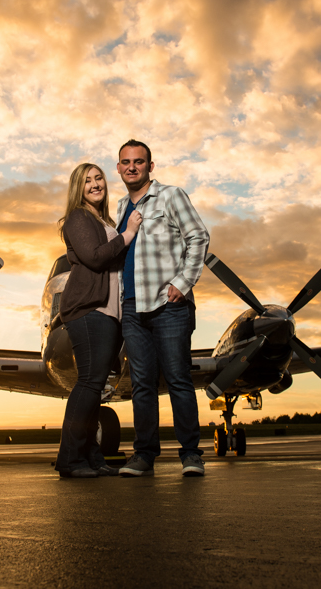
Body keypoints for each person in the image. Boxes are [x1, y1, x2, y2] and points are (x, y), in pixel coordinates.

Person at [114, 139, 210, 478]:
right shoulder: (120, 207)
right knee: (141, 384)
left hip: (169, 305)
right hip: (132, 308)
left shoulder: (171, 195)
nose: (132, 167)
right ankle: (144, 455)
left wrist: (183, 284)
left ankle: (190, 455)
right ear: (118, 168)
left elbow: (198, 236)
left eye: (139, 161)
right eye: (125, 162)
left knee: (178, 379)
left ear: (150, 166)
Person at [54, 162, 142, 478]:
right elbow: (93, 257)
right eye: (87, 180)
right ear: (78, 188)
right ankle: (69, 459)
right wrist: (128, 233)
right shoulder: (78, 217)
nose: (95, 184)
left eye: (98, 178)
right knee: (89, 383)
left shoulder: (103, 220)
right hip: (89, 310)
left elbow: (115, 257)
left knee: (95, 387)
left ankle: (91, 457)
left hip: (108, 313)